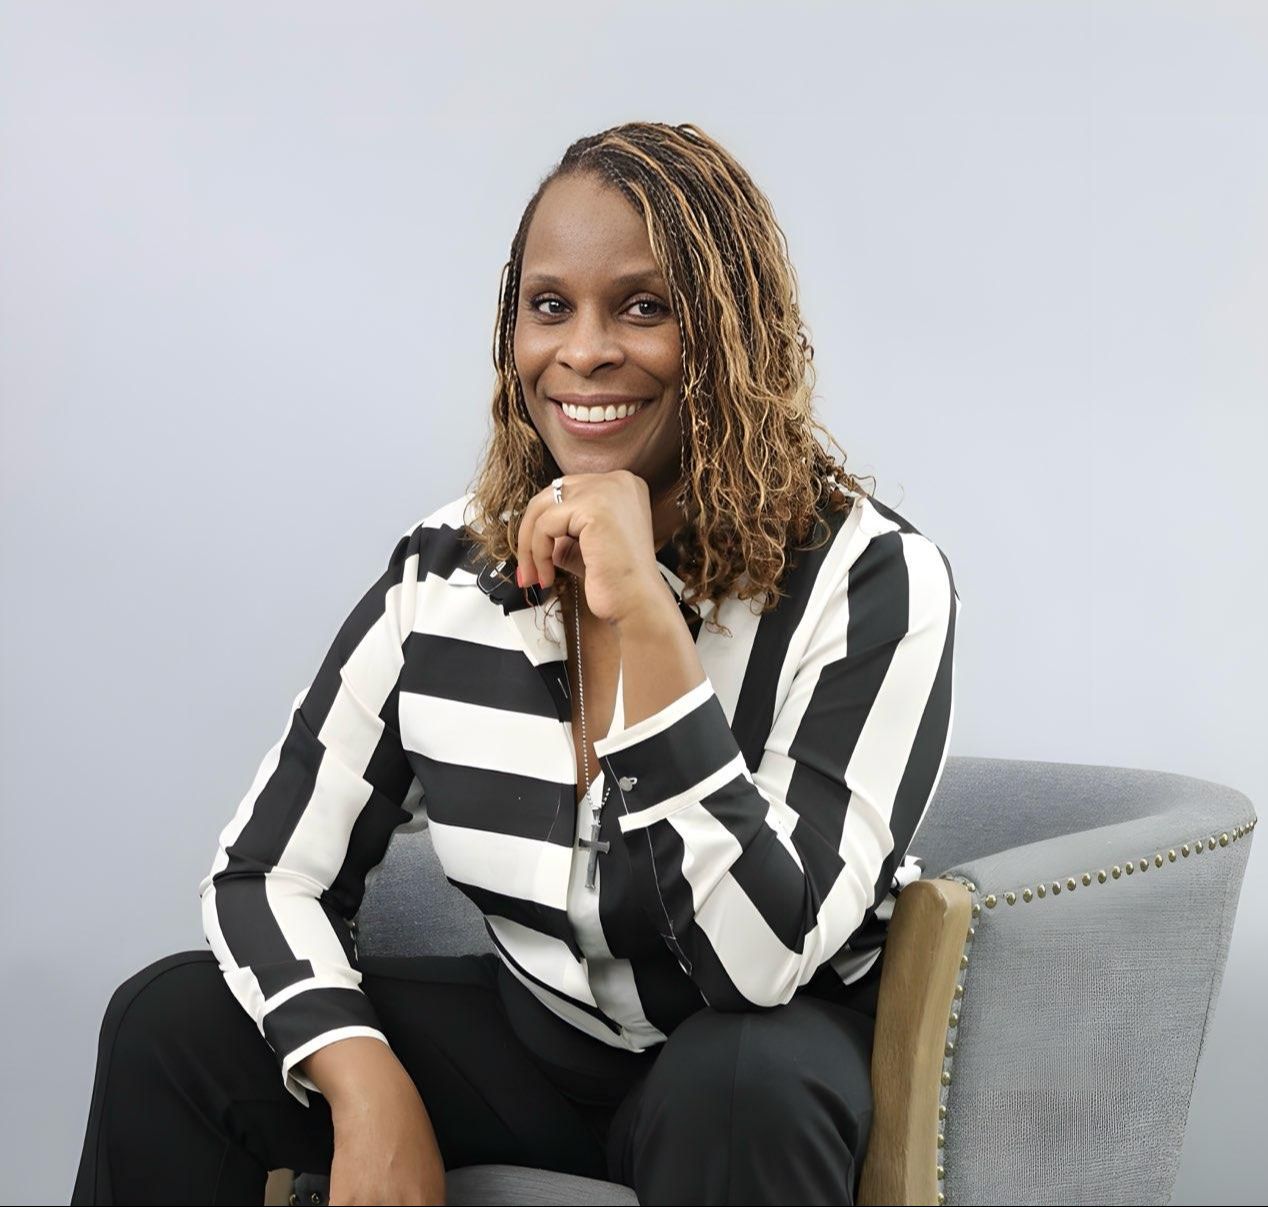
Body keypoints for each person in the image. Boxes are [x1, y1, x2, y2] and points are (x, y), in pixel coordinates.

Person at [72, 120, 961, 1206]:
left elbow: (759, 961)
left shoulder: (869, 581)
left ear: (733, 334)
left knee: (737, 1081)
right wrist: (361, 1080)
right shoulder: (445, 573)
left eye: (644, 307)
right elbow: (264, 872)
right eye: (549, 306)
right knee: (170, 1025)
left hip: (761, 1050)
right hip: (540, 1045)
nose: (583, 351)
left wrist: (644, 614)